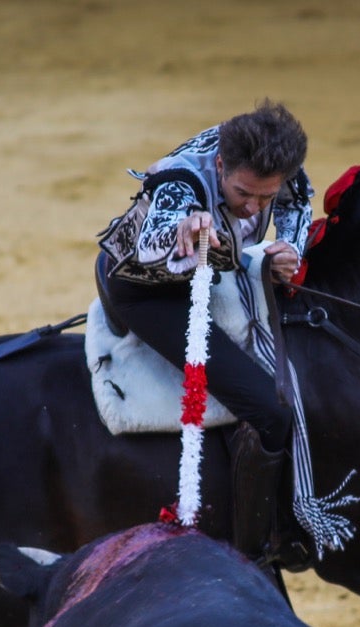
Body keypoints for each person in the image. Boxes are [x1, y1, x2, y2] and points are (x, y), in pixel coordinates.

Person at [96, 100, 314, 566]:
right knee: (271, 411)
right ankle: (253, 549)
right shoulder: (180, 181)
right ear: (220, 165)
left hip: (217, 270)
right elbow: (154, 243)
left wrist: (286, 248)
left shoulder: (274, 166)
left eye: (263, 196)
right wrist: (185, 226)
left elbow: (297, 202)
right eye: (242, 194)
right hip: (149, 290)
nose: (254, 206)